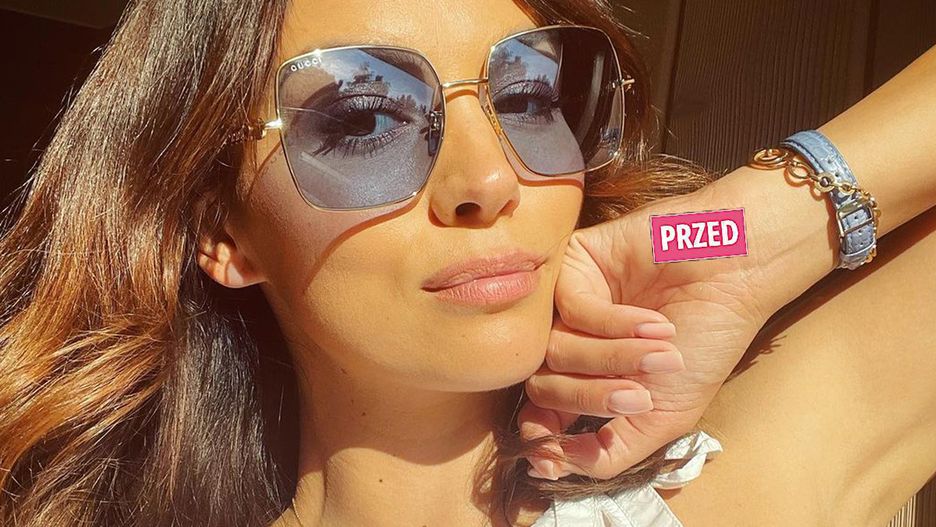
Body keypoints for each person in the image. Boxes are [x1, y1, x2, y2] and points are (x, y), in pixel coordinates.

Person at [0, 1, 933, 527]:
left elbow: (746, 234)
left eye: (527, 97)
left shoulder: (725, 491)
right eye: (364, 118)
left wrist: (738, 232)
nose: (489, 179)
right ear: (225, 232)